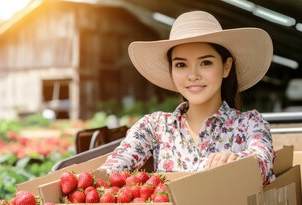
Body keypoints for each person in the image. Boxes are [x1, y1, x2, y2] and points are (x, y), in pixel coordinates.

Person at [100, 10, 275, 185]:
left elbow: (263, 162)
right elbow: (115, 166)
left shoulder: (250, 124)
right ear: (171, 71)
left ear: (226, 67)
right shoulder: (154, 127)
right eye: (181, 65)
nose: (193, 75)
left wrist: (236, 160)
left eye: (205, 63)